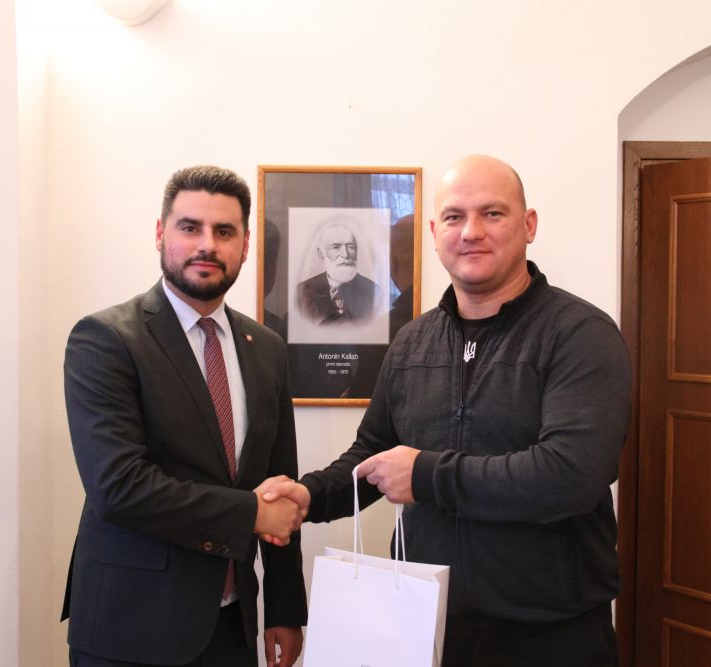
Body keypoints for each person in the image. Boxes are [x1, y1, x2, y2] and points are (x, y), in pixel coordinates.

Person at [263, 155, 631, 666]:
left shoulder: (580, 335)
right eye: (455, 217)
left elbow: (570, 476)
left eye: (493, 213)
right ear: (436, 234)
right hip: (422, 625)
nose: (471, 232)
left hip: (550, 635)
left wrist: (426, 475)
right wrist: (310, 496)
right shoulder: (412, 341)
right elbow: (374, 453)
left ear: (529, 225)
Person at [61, 165, 307, 667]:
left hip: (232, 625)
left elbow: (278, 485)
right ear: (160, 233)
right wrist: (251, 514)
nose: (207, 245)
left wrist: (284, 608)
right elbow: (119, 487)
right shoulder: (106, 339)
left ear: (245, 245)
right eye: (190, 227)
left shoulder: (267, 349)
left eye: (225, 231)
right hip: (130, 628)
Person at [295, 221, 379, 324]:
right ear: (321, 253)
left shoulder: (374, 291)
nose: (345, 254)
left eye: (351, 247)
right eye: (336, 247)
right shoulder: (303, 291)